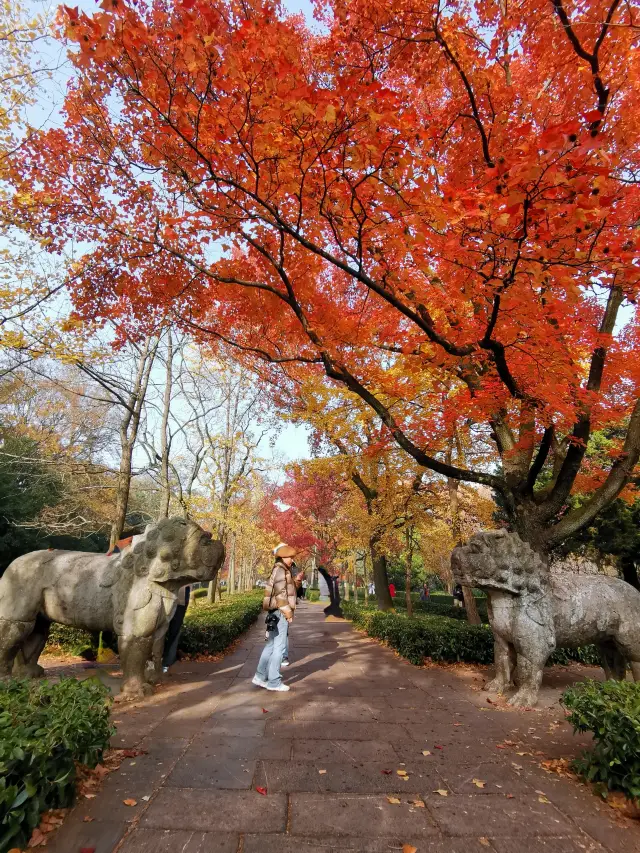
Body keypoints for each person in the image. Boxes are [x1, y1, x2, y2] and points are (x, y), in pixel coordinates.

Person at [253, 543, 297, 691]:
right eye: (290, 557)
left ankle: (260, 676)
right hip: (280, 612)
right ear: (283, 556)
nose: (292, 559)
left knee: (271, 645)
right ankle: (274, 682)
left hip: (275, 612)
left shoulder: (281, 569)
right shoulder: (281, 570)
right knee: (279, 646)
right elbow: (281, 594)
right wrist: (288, 613)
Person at [162, 585, 191, 672]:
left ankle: (167, 663)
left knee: (174, 631)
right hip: (168, 597)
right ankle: (165, 662)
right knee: (166, 631)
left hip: (180, 598)